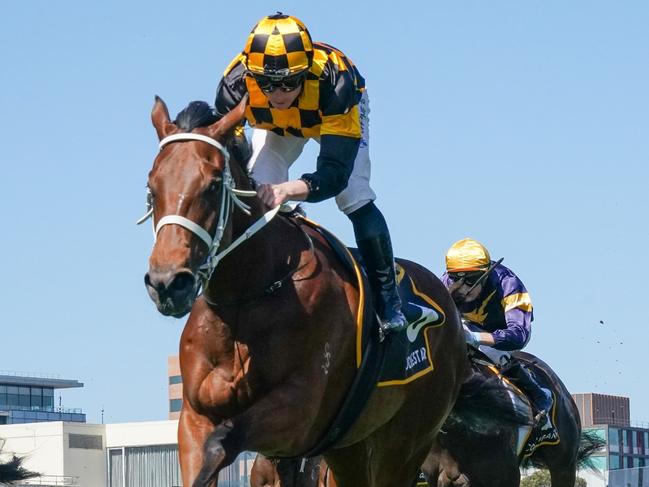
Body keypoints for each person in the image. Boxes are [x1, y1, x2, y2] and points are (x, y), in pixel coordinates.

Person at [213, 13, 406, 332]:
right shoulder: (234, 85)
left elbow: (333, 174)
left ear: (305, 70)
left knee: (354, 195)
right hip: (275, 128)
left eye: (289, 82)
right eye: (267, 83)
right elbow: (229, 159)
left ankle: (388, 302)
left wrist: (288, 190)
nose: (277, 94)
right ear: (251, 74)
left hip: (330, 117)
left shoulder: (336, 82)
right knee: (257, 194)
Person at [441, 238, 553, 419]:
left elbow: (519, 335)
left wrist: (476, 338)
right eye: (455, 278)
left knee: (488, 350)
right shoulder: (446, 283)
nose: (462, 287)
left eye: (471, 280)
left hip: (503, 332)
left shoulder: (509, 284)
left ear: (486, 273)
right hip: (467, 325)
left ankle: (539, 394)